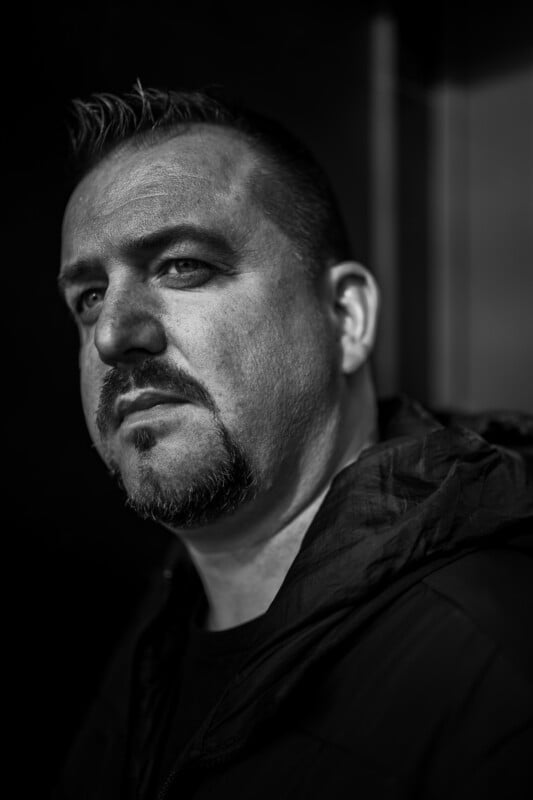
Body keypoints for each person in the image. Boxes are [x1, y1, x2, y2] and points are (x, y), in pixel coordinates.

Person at [54, 83, 533, 800]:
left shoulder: (495, 671)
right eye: (89, 297)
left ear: (345, 315)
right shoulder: (151, 636)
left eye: (183, 265)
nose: (114, 333)